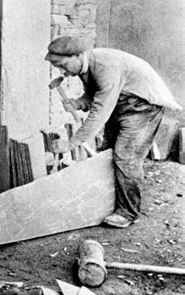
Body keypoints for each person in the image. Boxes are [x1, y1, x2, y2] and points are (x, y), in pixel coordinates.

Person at [44, 36, 182, 228]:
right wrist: (78, 103)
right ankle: (108, 202)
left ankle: (128, 212)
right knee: (107, 151)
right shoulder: (86, 67)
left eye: (62, 65)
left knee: (126, 157)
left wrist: (72, 143)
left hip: (143, 108)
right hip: (122, 105)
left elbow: (100, 111)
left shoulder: (105, 66)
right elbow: (93, 96)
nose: (62, 71)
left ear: (77, 55)